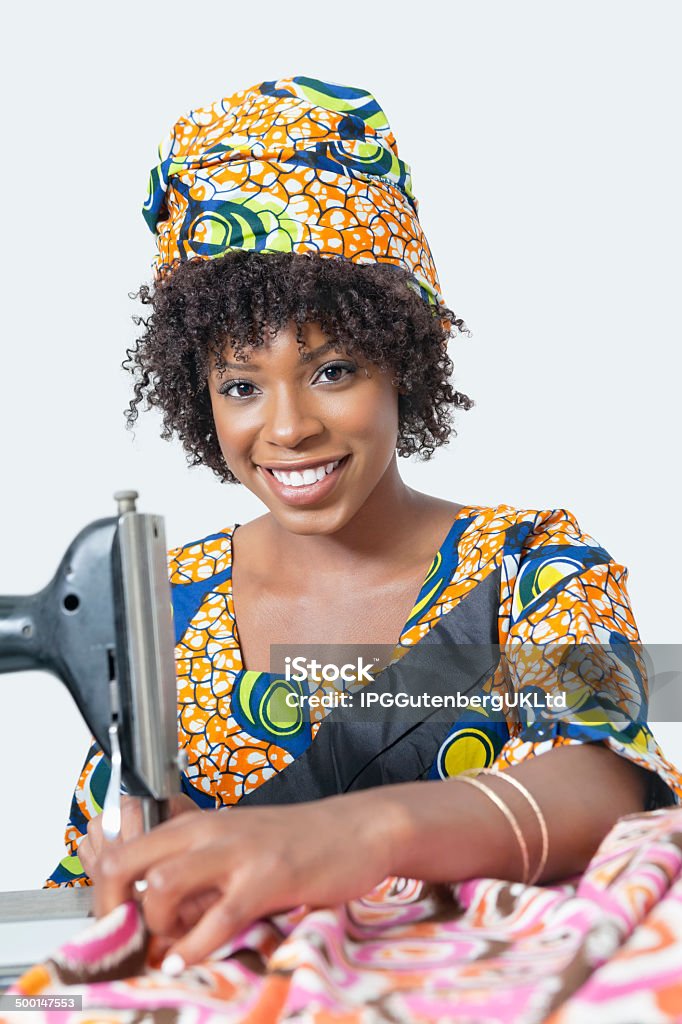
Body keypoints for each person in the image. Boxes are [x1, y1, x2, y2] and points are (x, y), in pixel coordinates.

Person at [45, 76, 682, 989]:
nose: (289, 425)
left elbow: (602, 780)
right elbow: (97, 867)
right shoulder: (160, 604)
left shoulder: (531, 561)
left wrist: (343, 835)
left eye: (332, 369)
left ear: (403, 364)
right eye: (240, 386)